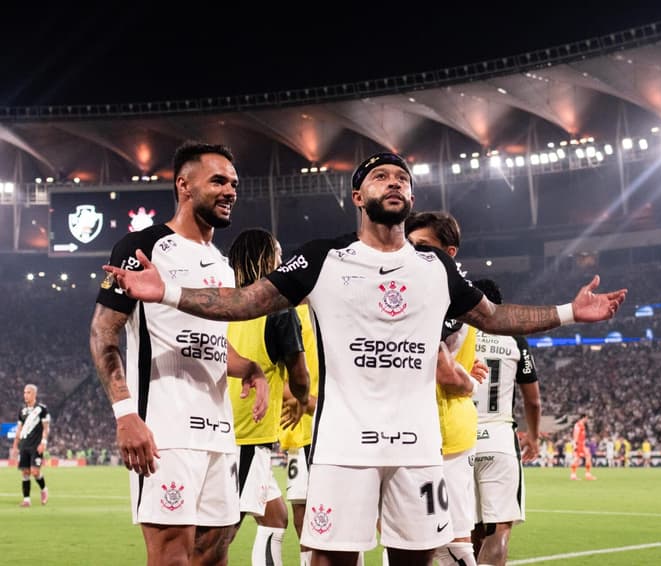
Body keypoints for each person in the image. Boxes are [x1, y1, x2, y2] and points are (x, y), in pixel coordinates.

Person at [101, 150, 627, 566]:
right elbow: (245, 302)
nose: (394, 183)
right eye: (381, 177)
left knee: (420, 560)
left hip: (420, 450)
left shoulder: (434, 267)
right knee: (330, 560)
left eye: (402, 178)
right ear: (358, 195)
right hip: (340, 450)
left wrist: (568, 312)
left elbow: (493, 317)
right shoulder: (323, 257)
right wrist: (167, 292)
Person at [89, 141, 270, 566]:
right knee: (171, 556)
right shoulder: (143, 248)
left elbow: (209, 343)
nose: (230, 191)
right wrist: (126, 415)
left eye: (234, 184)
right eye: (219, 181)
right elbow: (103, 334)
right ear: (184, 185)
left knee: (215, 552)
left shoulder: (222, 265)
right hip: (165, 431)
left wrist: (250, 368)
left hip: (220, 432)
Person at [226, 228, 311, 566]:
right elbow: (300, 373)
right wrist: (302, 397)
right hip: (247, 432)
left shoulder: (224, 301)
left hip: (228, 425)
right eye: (277, 253)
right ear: (267, 258)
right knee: (220, 533)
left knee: (275, 518)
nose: (282, 259)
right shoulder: (278, 309)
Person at [406, 211, 485, 566]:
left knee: (447, 542)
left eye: (423, 246)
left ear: (449, 252)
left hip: (439, 433)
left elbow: (446, 372)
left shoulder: (445, 300)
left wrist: (467, 381)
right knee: (430, 540)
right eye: (409, 245)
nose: (412, 253)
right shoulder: (466, 296)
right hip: (443, 430)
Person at [468, 278, 541, 566]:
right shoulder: (514, 339)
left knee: (469, 529)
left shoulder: (457, 333)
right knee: (498, 530)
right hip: (499, 440)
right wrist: (533, 437)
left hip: (461, 440)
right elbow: (533, 400)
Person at [279, 301, 321, 566]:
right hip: (299, 431)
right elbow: (271, 375)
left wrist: (312, 402)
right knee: (303, 511)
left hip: (328, 429)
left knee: (338, 514)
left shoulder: (327, 315)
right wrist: (307, 400)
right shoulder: (288, 317)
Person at [11, 384, 50, 507]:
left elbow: (46, 428)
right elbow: (19, 429)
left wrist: (44, 442)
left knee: (35, 471)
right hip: (24, 445)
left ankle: (44, 489)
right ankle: (26, 500)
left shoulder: (41, 409)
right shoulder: (22, 411)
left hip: (36, 446)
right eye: (24, 392)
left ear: (34, 394)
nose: (25, 395)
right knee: (25, 472)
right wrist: (15, 446)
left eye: (28, 392)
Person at [570, 414, 595, 480]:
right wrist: (575, 444)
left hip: (581, 444)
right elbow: (576, 435)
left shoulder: (581, 425)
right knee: (577, 459)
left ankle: (587, 475)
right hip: (579, 444)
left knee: (587, 456)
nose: (587, 420)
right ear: (583, 418)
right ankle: (574, 475)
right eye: (586, 418)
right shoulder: (578, 425)